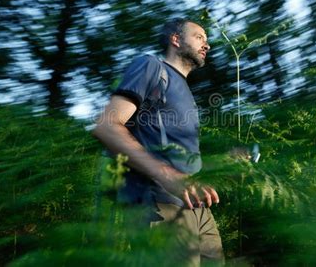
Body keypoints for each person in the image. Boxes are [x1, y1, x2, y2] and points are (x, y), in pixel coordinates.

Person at [93, 18, 223, 265]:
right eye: (199, 37)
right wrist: (169, 176)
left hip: (198, 209)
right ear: (176, 39)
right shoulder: (151, 66)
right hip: (160, 201)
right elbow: (107, 126)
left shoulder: (184, 90)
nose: (207, 45)